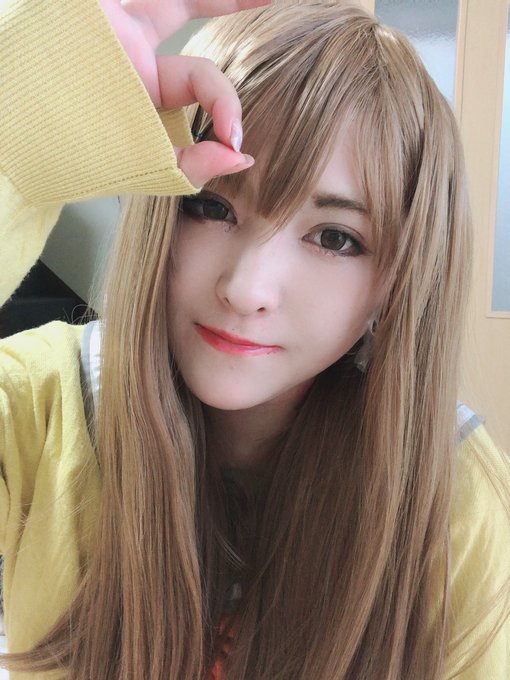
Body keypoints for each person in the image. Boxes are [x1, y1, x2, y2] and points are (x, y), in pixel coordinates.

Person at [0, 0, 509, 678]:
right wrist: (19, 114)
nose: (246, 288)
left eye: (335, 238)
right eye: (212, 205)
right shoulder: (37, 405)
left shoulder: (452, 498)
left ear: (399, 279)